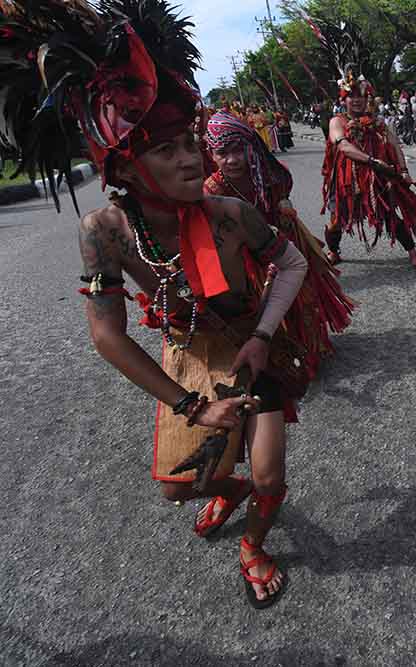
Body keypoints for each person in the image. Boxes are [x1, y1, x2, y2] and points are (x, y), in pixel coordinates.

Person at [5, 0, 305, 608]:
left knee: (273, 475)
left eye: (190, 142)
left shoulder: (228, 213)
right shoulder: (105, 231)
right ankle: (230, 488)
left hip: (250, 352)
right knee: (176, 490)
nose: (193, 158)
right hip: (189, 360)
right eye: (167, 150)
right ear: (124, 163)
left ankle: (253, 546)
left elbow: (292, 262)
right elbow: (107, 337)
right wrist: (194, 407)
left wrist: (264, 336)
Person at [204, 110, 354, 373]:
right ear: (211, 155)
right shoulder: (211, 190)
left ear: (250, 146)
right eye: (222, 153)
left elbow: (283, 194)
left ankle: (311, 347)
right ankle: (273, 354)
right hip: (245, 257)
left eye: (238, 150)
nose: (231, 160)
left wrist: (284, 207)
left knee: (302, 296)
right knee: (261, 307)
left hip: (285, 245)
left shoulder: (272, 173)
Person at [321, 65, 416, 269]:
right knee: (336, 221)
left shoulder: (378, 122)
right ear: (344, 100)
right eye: (351, 96)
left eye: (361, 96)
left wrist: (404, 171)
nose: (357, 100)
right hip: (345, 183)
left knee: (390, 215)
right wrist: (372, 161)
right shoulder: (337, 121)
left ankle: (413, 252)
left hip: (376, 179)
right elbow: (343, 146)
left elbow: (395, 145)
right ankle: (334, 250)